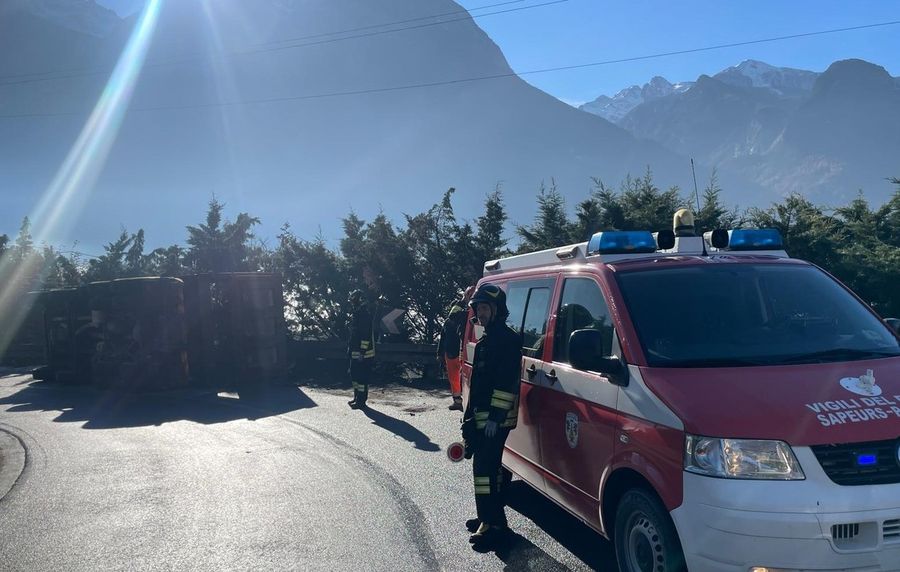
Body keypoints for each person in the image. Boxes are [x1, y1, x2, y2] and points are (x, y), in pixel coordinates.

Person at [461, 282, 522, 549]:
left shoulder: (507, 340)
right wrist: (468, 420)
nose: (480, 313)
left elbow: (507, 383)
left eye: (484, 307)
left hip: (495, 421)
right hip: (482, 418)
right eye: (478, 308)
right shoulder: (487, 340)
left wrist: (496, 418)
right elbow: (478, 387)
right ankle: (487, 516)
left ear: (497, 309)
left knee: (486, 471)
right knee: (485, 471)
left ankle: (495, 526)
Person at [347, 289, 375, 409]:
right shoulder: (357, 313)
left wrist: (362, 352)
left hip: (364, 353)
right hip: (356, 351)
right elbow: (354, 334)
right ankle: (356, 397)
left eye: (354, 300)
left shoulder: (364, 314)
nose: (352, 302)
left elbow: (365, 335)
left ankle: (361, 401)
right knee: (355, 376)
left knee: (362, 378)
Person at [436, 299, 466, 411]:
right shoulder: (448, 322)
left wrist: (440, 353)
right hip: (451, 353)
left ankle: (462, 399)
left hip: (459, 353)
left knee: (459, 378)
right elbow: (442, 338)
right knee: (454, 378)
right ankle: (457, 400)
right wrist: (439, 353)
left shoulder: (462, 321)